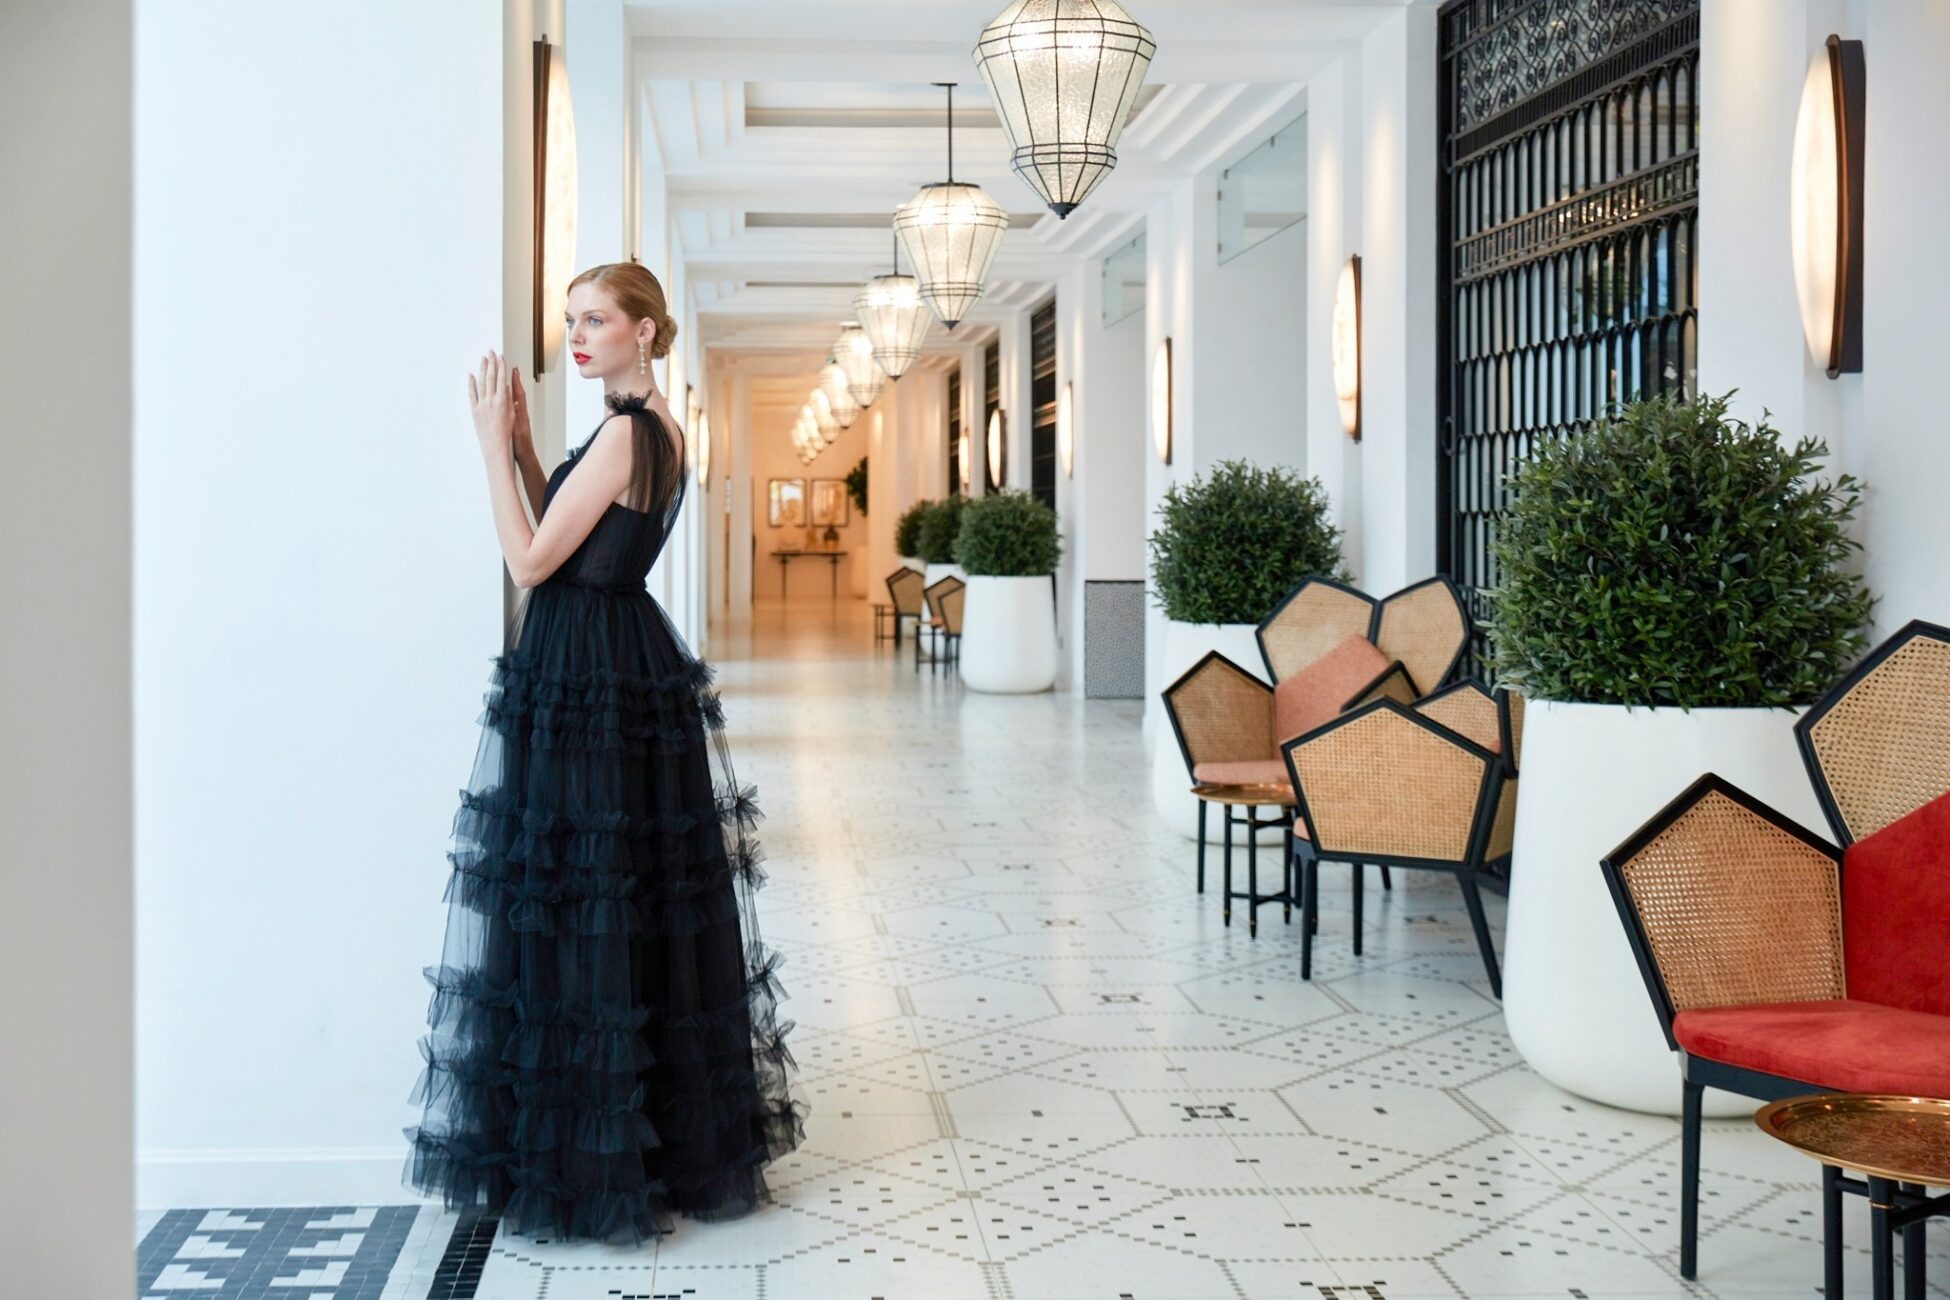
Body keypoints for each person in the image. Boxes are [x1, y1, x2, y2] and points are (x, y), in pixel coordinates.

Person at [403, 261, 807, 1245]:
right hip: (611, 656)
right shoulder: (651, 431)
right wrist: (533, 451)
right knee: (610, 895)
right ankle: (634, 1143)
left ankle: (588, 1161)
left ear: (643, 332)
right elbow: (573, 531)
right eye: (573, 319)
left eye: (596, 320)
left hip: (588, 664)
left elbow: (532, 559)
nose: (577, 335)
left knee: (584, 901)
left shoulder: (630, 434)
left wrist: (488, 454)